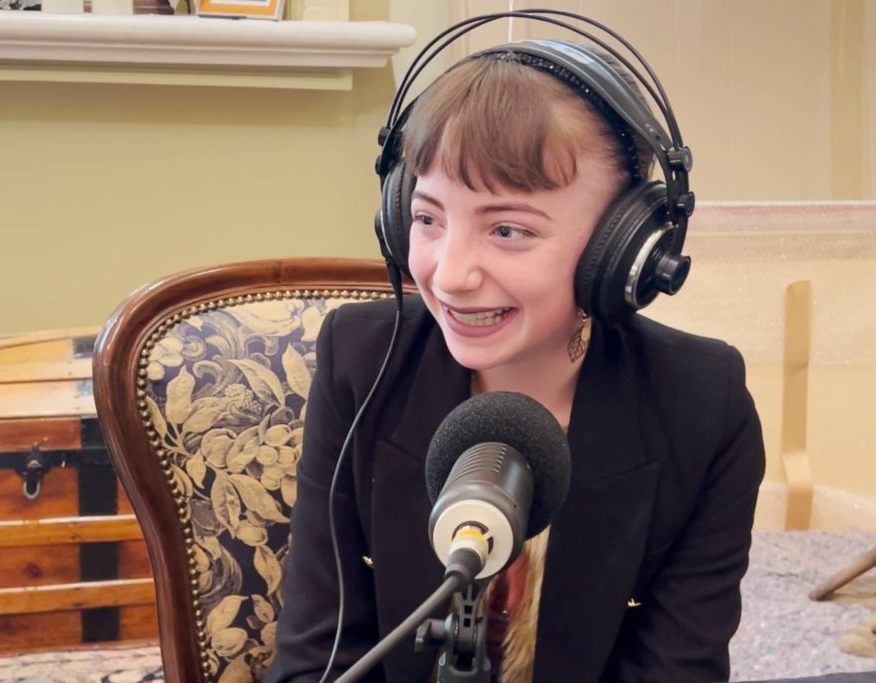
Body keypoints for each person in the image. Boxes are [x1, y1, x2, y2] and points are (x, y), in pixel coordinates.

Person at [268, 15, 765, 683]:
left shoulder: (705, 406)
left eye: (507, 228)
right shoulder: (359, 365)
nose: (449, 272)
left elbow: (677, 669)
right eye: (427, 217)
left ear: (623, 246)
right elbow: (317, 659)